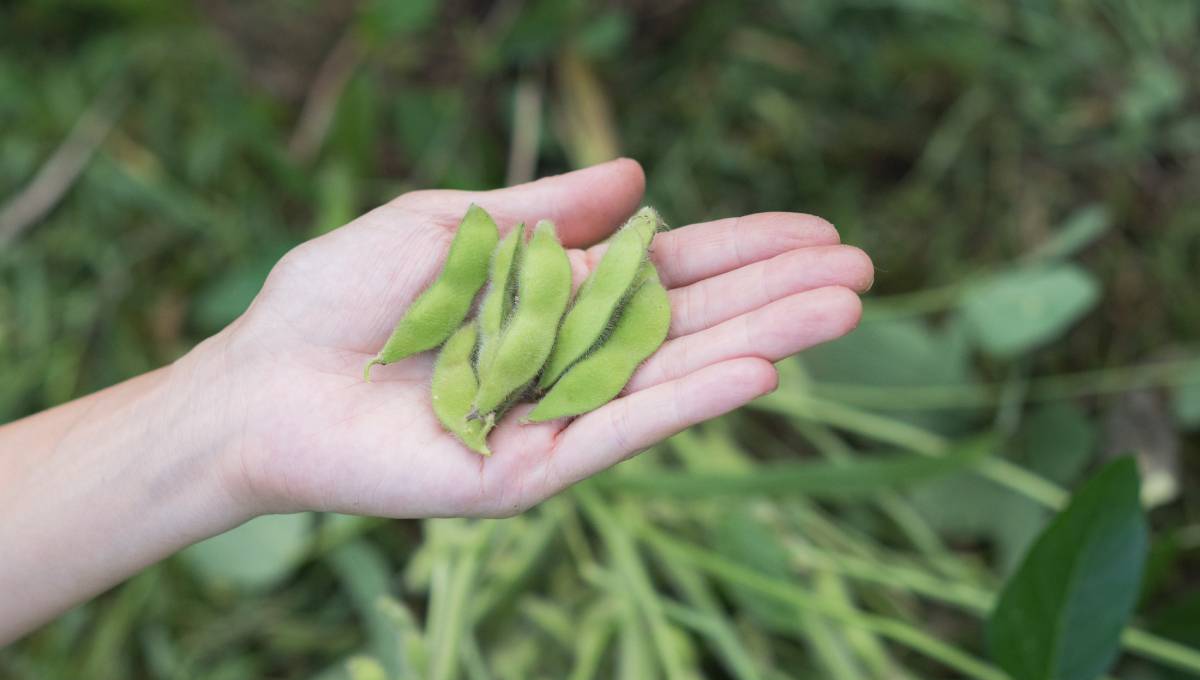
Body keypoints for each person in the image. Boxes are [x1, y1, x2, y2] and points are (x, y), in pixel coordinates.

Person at [0, 159, 873, 645]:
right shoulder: (501, 276)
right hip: (469, 371)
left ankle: (489, 396)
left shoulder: (558, 275)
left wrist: (228, 411)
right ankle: (481, 395)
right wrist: (242, 403)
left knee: (555, 324)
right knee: (526, 325)